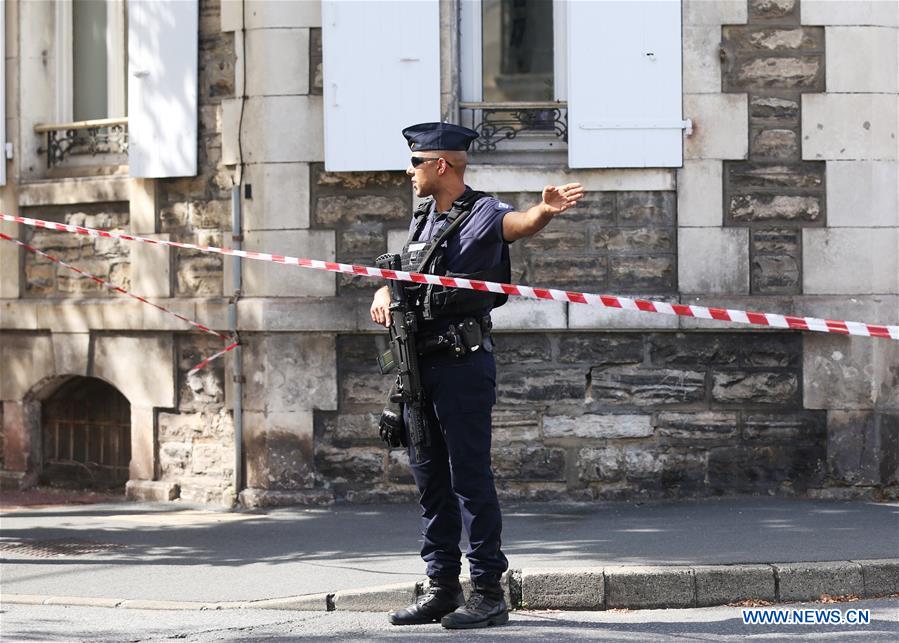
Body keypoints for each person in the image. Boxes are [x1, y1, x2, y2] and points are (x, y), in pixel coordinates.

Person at [370, 122, 584, 630]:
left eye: (416, 163)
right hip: (417, 370)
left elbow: (519, 224)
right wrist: (383, 290)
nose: (409, 172)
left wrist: (544, 212)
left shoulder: (485, 212)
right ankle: (442, 587)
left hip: (463, 366)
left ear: (440, 165)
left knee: (469, 480)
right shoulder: (423, 215)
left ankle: (488, 592)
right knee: (430, 481)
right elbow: (408, 272)